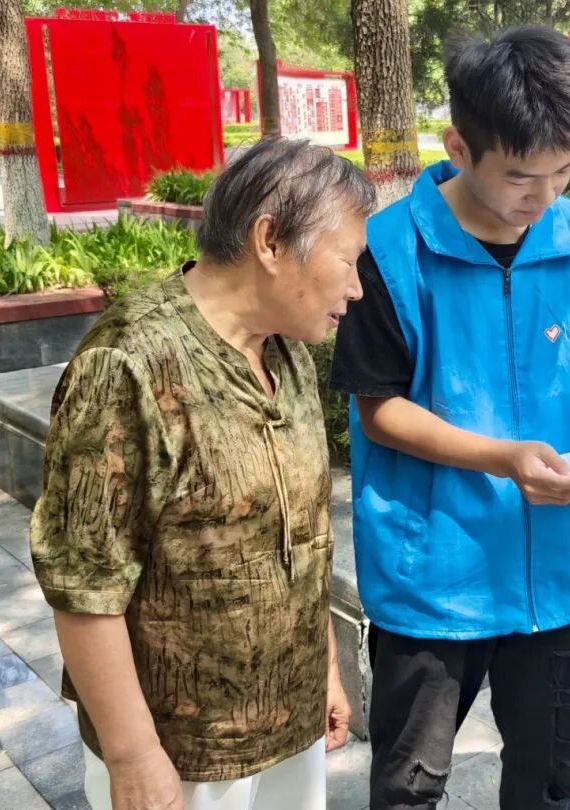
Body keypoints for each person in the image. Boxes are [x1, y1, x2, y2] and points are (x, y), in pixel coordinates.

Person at [330, 25, 570, 810]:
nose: (545, 197)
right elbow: (379, 410)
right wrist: (503, 458)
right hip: (436, 577)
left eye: (565, 170)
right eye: (522, 176)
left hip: (561, 577)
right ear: (459, 148)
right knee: (409, 789)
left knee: (549, 783)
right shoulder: (389, 250)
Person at [29, 137, 375, 810]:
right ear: (270, 242)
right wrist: (132, 755)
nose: (357, 288)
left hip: (289, 723)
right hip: (181, 751)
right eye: (348, 261)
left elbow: (304, 538)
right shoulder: (129, 363)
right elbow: (84, 585)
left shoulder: (285, 352)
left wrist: (326, 672)